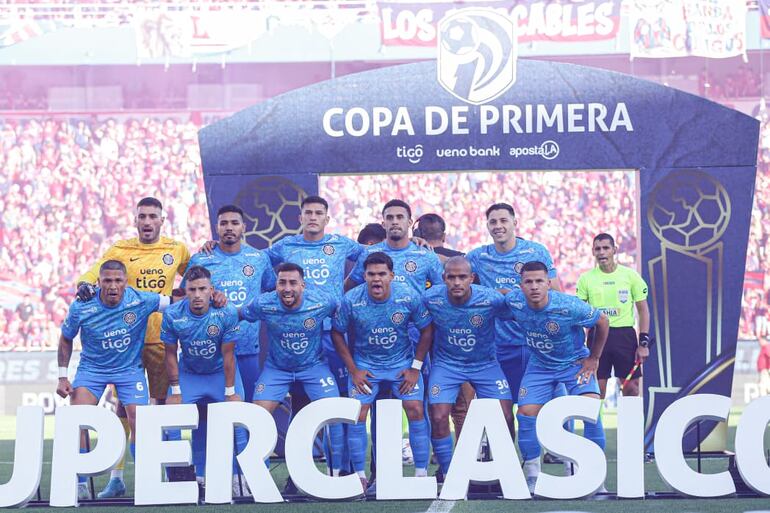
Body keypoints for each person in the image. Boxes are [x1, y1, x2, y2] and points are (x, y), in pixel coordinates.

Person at [76, 197, 191, 497]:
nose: (148, 221)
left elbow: (197, 276)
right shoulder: (120, 250)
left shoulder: (175, 249)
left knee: (164, 407)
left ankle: (172, 475)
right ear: (136, 220)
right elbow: (92, 275)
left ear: (162, 220)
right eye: (143, 216)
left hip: (160, 340)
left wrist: (208, 254)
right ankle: (118, 477)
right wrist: (84, 285)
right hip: (125, 342)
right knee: (123, 412)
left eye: (153, 216)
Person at [56, 260, 171, 500]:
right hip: (92, 369)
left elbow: (175, 302)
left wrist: (211, 297)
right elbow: (66, 337)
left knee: (141, 419)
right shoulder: (82, 306)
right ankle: (80, 483)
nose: (113, 286)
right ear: (98, 283)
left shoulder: (140, 299)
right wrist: (62, 376)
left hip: (129, 369)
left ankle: (146, 480)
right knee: (76, 418)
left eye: (118, 280)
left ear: (126, 282)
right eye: (107, 280)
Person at [331, 252, 433, 489]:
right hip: (366, 366)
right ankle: (359, 476)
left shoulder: (408, 296)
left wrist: (415, 368)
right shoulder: (351, 299)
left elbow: (427, 329)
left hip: (401, 366)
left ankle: (420, 475)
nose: (376, 279)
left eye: (381, 274)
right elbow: (337, 332)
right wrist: (353, 370)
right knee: (358, 413)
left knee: (416, 409)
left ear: (391, 276)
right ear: (364, 276)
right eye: (371, 274)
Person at [505, 261, 609, 494]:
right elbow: (498, 298)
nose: (534, 286)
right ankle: (532, 475)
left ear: (548, 283)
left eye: (539, 281)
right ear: (520, 285)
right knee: (526, 413)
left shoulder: (569, 306)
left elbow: (602, 321)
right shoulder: (514, 301)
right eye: (528, 282)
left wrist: (594, 358)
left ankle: (595, 477)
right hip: (539, 366)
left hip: (574, 364)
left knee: (591, 409)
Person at [239, 263, 346, 480]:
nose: (287, 288)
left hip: (314, 368)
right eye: (282, 283)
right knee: (257, 415)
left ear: (303, 285)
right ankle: (258, 478)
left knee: (334, 414)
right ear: (276, 284)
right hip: (277, 369)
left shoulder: (322, 301)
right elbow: (237, 314)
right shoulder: (264, 303)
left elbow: (347, 311)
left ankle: (337, 474)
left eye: (293, 283)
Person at [422, 257, 515, 481]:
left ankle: (506, 468)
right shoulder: (430, 298)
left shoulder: (490, 299)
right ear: (443, 279)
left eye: (462, 277)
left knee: (505, 415)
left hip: (485, 365)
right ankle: (448, 471)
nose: (456, 282)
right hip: (447, 365)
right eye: (451, 277)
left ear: (471, 279)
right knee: (438, 415)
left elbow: (520, 311)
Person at [161, 265, 248, 496]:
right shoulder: (172, 314)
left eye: (202, 289)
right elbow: (170, 353)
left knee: (238, 420)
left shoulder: (226, 312)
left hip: (220, 374)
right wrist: (176, 389)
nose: (197, 294)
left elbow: (229, 354)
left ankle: (240, 478)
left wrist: (230, 391)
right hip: (190, 375)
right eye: (192, 289)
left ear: (211, 290)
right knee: (172, 419)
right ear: (185, 290)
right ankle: (180, 479)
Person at [466, 203, 562, 408]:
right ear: (487, 226)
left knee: (550, 407)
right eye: (493, 222)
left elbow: (556, 294)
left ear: (515, 223)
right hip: (498, 345)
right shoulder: (477, 257)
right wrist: (417, 243)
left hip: (537, 344)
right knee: (499, 410)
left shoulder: (535, 251)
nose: (498, 226)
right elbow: (453, 267)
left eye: (503, 220)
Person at [184, 205, 275, 402]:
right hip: (210, 352)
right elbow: (184, 297)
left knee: (247, 409)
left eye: (234, 223)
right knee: (209, 411)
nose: (229, 227)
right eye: (224, 223)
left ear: (244, 227)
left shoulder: (259, 258)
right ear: (217, 227)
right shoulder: (201, 259)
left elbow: (273, 292)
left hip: (247, 348)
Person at [412, 213, 474, 440]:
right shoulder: (461, 260)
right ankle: (465, 454)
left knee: (428, 400)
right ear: (445, 235)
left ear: (417, 234)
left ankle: (438, 454)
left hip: (416, 335)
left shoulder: (415, 254)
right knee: (461, 404)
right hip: (453, 338)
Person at [576, 233, 650, 397]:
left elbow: (643, 310)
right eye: (598, 249)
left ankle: (630, 423)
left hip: (624, 336)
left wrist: (643, 343)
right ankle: (596, 423)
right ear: (593, 252)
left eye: (606, 248)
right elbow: (578, 314)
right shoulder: (585, 279)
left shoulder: (630, 276)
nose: (601, 252)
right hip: (597, 336)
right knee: (596, 389)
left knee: (631, 388)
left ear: (614, 250)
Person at [345, 199, 444, 293]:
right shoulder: (369, 253)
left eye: (400, 217)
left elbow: (441, 292)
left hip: (414, 311)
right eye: (390, 217)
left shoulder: (426, 256)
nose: (395, 221)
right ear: (383, 224)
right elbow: (348, 287)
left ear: (410, 222)